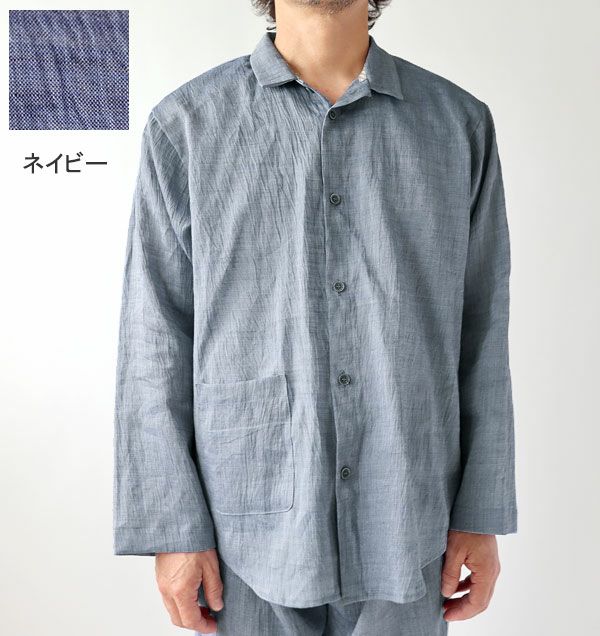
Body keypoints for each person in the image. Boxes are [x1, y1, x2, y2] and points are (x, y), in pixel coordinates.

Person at [113, 0, 518, 633]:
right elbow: (153, 337)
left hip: (412, 522)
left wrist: (480, 512)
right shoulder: (186, 125)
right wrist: (173, 528)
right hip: (244, 529)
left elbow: (484, 331)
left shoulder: (458, 124)